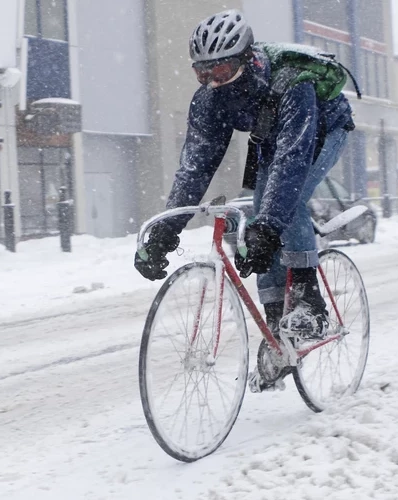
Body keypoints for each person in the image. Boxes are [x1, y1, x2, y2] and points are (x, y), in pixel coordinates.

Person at [133, 10, 356, 390]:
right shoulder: (208, 102)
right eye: (203, 74)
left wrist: (269, 228)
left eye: (221, 72)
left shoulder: (291, 84)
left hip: (321, 127)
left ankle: (308, 302)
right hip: (272, 135)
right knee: (258, 214)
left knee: (287, 203)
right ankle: (276, 331)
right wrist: (164, 232)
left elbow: (291, 162)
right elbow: (194, 169)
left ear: (247, 60)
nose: (213, 83)